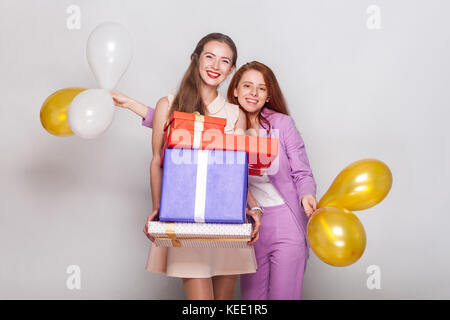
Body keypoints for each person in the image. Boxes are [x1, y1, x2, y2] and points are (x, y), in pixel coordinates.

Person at [113, 33, 262, 300]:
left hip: (228, 222)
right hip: (185, 221)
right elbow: (158, 162)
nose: (216, 66)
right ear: (196, 58)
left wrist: (253, 208)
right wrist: (159, 208)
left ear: (231, 70)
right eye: (209, 57)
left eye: (224, 61)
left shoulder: (235, 113)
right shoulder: (168, 105)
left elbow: (236, 172)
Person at [226, 61, 317, 299]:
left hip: (286, 223)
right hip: (249, 225)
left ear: (268, 96)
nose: (253, 93)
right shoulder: (225, 125)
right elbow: (188, 131)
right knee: (252, 300)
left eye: (261, 89)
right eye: (247, 86)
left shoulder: (282, 124)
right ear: (235, 90)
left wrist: (307, 194)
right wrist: (146, 112)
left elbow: (302, 172)